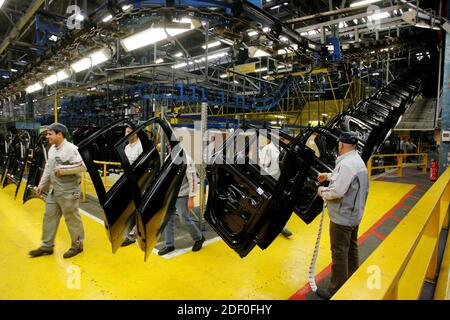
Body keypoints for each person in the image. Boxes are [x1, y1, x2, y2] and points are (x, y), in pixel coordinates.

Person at [315, 131, 369, 300]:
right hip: (354, 215)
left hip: (342, 217)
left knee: (339, 252)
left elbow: (337, 191)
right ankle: (352, 277)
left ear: (342, 145)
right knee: (352, 248)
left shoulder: (346, 165)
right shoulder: (356, 161)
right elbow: (345, 179)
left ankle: (336, 290)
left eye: (339, 143)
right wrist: (329, 176)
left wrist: (321, 190)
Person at [29, 123, 86, 259]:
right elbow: (49, 168)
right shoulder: (52, 149)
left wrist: (63, 170)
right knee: (49, 216)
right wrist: (41, 184)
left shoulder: (71, 149)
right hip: (55, 190)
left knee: (71, 218)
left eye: (50, 134)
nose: (47, 136)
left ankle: (77, 245)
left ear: (59, 134)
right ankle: (47, 245)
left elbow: (82, 166)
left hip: (69, 191)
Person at [158, 153, 205, 255]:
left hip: (182, 195)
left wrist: (191, 198)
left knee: (184, 220)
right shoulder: (168, 158)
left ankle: (199, 238)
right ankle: (169, 244)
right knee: (167, 219)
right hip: (170, 194)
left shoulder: (186, 159)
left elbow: (193, 179)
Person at [260, 134, 293, 238]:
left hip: (281, 181)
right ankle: (267, 228)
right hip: (271, 181)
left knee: (281, 205)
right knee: (271, 205)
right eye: (280, 138)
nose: (282, 140)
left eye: (283, 138)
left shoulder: (284, 148)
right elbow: (263, 166)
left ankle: (281, 226)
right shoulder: (267, 149)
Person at [121, 125, 144, 247]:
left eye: (129, 132)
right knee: (129, 208)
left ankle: (134, 234)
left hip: (139, 182)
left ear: (135, 132)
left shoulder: (141, 146)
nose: (127, 134)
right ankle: (131, 233)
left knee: (136, 208)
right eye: (126, 132)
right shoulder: (126, 148)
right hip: (129, 182)